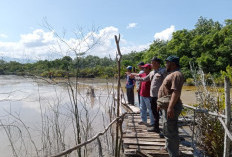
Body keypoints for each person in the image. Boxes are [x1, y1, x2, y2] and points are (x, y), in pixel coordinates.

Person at [158, 55, 184, 157]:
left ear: (173, 64)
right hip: (166, 106)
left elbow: (176, 92)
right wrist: (160, 104)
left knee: (171, 131)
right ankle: (168, 148)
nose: (165, 64)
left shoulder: (177, 74)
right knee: (167, 129)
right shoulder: (172, 74)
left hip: (171, 107)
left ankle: (173, 154)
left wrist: (170, 107)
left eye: (167, 62)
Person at [135, 57, 166, 133]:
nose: (152, 64)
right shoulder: (152, 72)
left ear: (157, 63)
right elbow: (144, 79)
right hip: (152, 96)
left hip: (160, 96)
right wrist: (136, 78)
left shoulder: (163, 71)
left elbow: (167, 82)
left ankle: (166, 130)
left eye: (153, 63)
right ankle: (156, 127)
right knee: (154, 112)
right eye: (151, 62)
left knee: (163, 112)